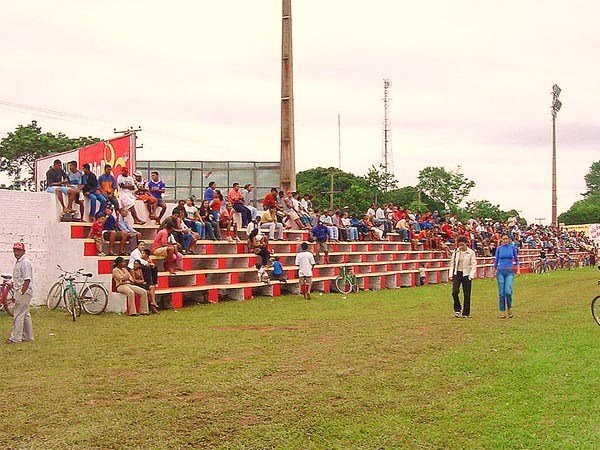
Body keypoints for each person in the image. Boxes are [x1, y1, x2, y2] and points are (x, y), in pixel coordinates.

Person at [6, 242, 34, 344]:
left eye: (18, 250)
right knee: (25, 314)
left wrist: (21, 293)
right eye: (15, 250)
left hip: (24, 291)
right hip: (22, 290)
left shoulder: (25, 263)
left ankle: (15, 338)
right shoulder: (19, 262)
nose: (16, 253)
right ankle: (28, 336)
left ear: (23, 251)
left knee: (18, 314)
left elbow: (27, 280)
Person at [492, 234, 520, 319]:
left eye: (506, 239)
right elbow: (496, 261)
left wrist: (518, 269)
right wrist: (493, 272)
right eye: (503, 239)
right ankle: (502, 311)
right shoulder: (499, 249)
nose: (505, 240)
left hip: (509, 271)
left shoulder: (512, 248)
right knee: (501, 293)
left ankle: (509, 308)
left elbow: (516, 260)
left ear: (509, 240)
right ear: (501, 240)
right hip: (500, 271)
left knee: (508, 291)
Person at [449, 235, 477, 318]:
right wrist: (451, 274)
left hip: (466, 274)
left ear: (466, 244)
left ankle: (466, 313)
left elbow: (473, 264)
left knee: (466, 294)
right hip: (457, 274)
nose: (461, 246)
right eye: (459, 245)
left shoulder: (471, 252)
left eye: (462, 245)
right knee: (454, 292)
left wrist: (471, 275)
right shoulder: (456, 252)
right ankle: (457, 309)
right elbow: (452, 263)